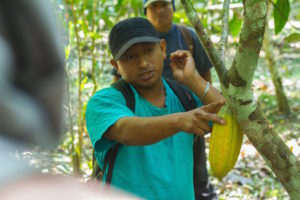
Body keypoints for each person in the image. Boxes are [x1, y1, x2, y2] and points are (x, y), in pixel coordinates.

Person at [86, 17, 225, 199]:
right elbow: (126, 131)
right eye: (130, 56)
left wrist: (193, 79)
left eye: (148, 51)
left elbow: (229, 117)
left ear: (163, 48)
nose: (143, 63)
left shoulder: (184, 98)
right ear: (115, 65)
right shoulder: (105, 101)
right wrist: (180, 121)